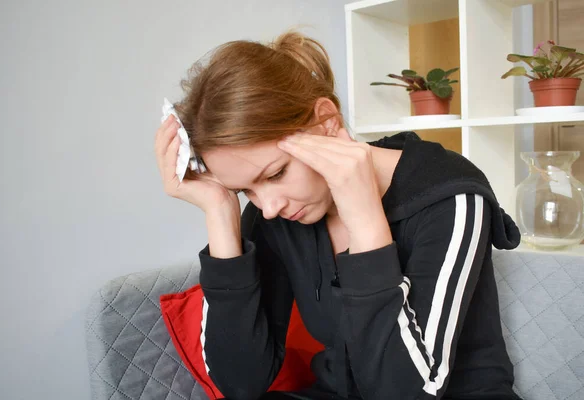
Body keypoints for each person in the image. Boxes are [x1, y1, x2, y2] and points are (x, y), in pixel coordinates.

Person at [154, 31, 522, 400]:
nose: (267, 206)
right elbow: (240, 383)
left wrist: (364, 220)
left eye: (276, 173)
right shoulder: (277, 211)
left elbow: (406, 394)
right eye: (244, 190)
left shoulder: (451, 196)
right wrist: (220, 213)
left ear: (326, 121)